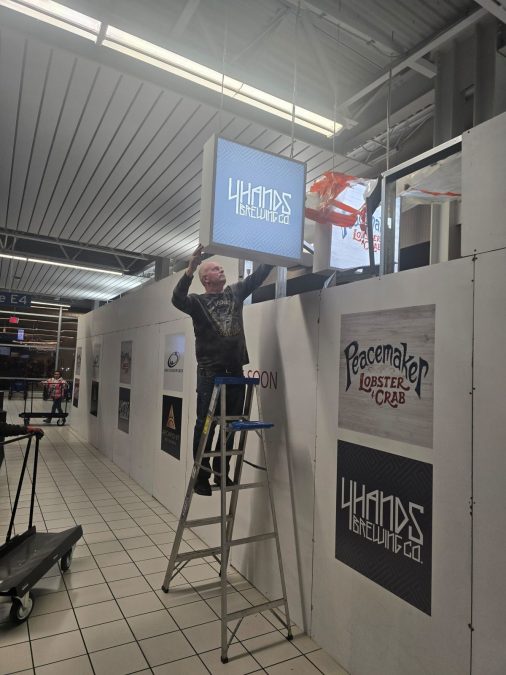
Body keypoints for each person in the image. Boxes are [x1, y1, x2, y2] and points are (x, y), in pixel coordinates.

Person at [172, 244, 273, 496]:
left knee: (231, 423)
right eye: (216, 268)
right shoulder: (196, 302)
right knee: (206, 425)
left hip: (235, 371)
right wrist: (189, 270)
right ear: (206, 279)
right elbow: (176, 299)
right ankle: (201, 476)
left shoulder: (234, 293)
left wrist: (271, 257)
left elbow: (257, 277)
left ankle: (221, 470)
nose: (221, 269)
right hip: (210, 373)